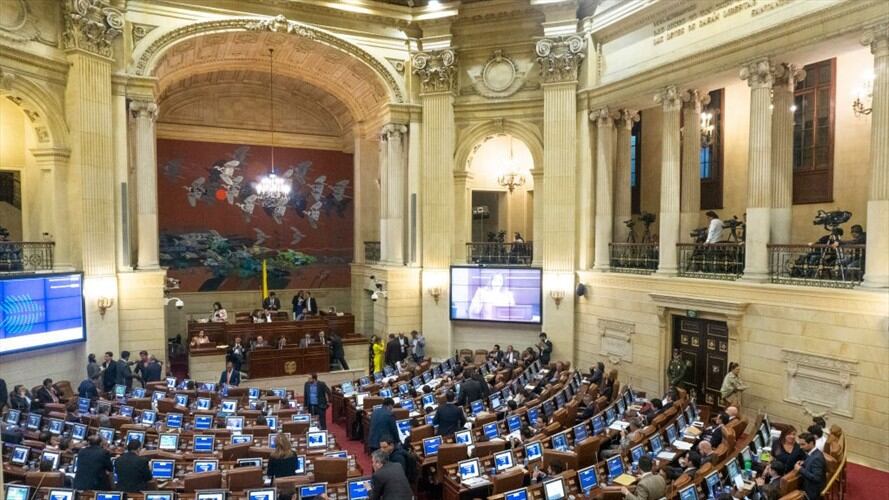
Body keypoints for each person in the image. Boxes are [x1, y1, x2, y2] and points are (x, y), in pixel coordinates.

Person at [796, 432, 826, 500]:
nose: (800, 447)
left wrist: (800, 469)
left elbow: (816, 478)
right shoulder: (813, 453)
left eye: (803, 444)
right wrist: (803, 463)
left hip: (812, 493)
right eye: (800, 444)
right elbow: (811, 462)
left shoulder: (817, 458)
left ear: (811, 443)